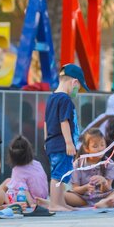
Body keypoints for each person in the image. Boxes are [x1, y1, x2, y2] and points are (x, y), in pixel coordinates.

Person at [44, 63, 89, 212]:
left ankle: (61, 203)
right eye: (78, 87)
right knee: (58, 175)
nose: (77, 90)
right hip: (61, 144)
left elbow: (46, 122)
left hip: (53, 143)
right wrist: (69, 143)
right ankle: (54, 204)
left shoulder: (52, 98)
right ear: (74, 82)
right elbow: (64, 122)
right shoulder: (65, 99)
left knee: (62, 175)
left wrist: (46, 140)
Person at [66, 129, 114, 208]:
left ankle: (104, 202)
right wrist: (86, 187)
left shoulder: (109, 163)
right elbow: (75, 189)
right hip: (83, 198)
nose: (100, 149)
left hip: (105, 196)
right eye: (95, 146)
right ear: (86, 148)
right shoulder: (78, 164)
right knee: (62, 194)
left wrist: (103, 182)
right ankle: (89, 204)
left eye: (102, 145)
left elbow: (108, 189)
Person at [7, 135, 49, 206]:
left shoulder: (17, 170)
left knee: (7, 189)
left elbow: (24, 191)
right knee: (9, 182)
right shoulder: (37, 164)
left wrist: (32, 204)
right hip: (43, 196)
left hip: (30, 200)